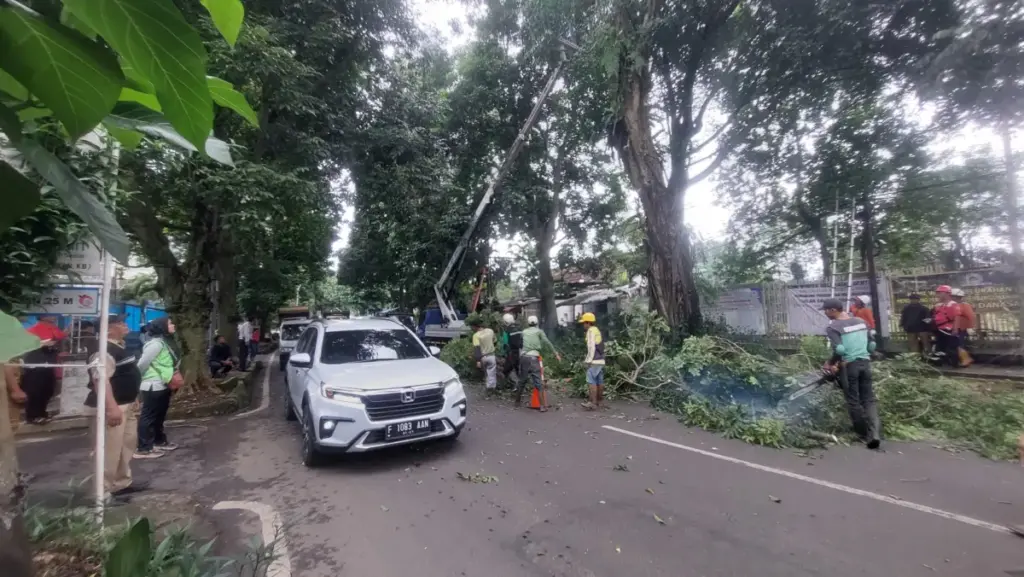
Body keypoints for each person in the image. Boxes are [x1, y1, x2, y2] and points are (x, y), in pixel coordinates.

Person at [86, 315, 147, 498]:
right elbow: (101, 381)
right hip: (112, 407)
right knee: (108, 450)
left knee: (125, 447)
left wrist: (134, 397)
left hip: (125, 403)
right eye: (120, 323)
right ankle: (101, 491)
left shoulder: (119, 346)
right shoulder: (103, 350)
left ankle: (121, 483)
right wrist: (111, 407)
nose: (125, 325)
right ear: (108, 329)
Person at [823, 299, 881, 449]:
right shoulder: (861, 321)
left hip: (849, 366)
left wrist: (831, 363)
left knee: (853, 400)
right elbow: (872, 344)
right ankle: (874, 434)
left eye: (826, 310)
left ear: (833, 310)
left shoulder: (833, 327)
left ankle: (862, 434)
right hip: (865, 363)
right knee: (868, 400)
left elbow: (840, 350)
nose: (825, 313)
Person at [136, 318, 180, 459]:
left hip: (163, 383)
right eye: (170, 323)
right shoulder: (155, 344)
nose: (173, 325)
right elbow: (142, 364)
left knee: (159, 416)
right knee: (149, 416)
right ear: (162, 327)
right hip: (153, 385)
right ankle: (144, 448)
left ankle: (158, 440)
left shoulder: (163, 342)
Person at [518, 315, 560, 411]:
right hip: (534, 358)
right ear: (537, 323)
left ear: (528, 323)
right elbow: (547, 342)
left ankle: (517, 402)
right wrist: (555, 353)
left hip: (524, 358)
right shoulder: (539, 331)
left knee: (522, 380)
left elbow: (520, 344)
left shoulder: (524, 332)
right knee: (538, 382)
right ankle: (542, 406)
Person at [578, 312, 606, 410]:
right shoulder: (597, 330)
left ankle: (592, 403)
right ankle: (599, 402)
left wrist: (588, 361)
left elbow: (591, 347)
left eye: (584, 323)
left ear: (588, 323)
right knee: (599, 381)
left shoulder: (590, 331)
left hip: (594, 360)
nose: (583, 325)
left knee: (591, 381)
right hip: (601, 360)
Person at [931, 285, 961, 367]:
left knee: (952, 348)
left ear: (946, 293)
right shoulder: (939, 305)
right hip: (939, 329)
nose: (938, 295)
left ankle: (954, 364)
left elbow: (957, 317)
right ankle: (939, 363)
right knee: (939, 347)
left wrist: (955, 329)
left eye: (940, 293)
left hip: (949, 329)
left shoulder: (953, 304)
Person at [471, 318, 498, 393]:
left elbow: (477, 348)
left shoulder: (476, 335)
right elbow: (495, 341)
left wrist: (478, 361)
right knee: (492, 373)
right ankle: (491, 389)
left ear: (475, 326)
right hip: (491, 355)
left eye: (472, 327)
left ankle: (488, 389)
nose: (472, 328)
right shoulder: (490, 331)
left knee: (486, 373)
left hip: (483, 357)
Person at [951, 288, 975, 367]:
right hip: (953, 328)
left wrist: (970, 327)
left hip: (961, 328)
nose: (952, 298)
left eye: (953, 296)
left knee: (959, 345)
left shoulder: (965, 305)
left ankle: (966, 360)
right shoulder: (952, 305)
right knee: (955, 345)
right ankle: (959, 360)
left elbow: (970, 317)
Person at [500, 314, 522, 390]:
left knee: (506, 370)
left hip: (511, 353)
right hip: (521, 352)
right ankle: (520, 384)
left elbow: (505, 343)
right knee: (517, 369)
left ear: (505, 322)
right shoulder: (519, 329)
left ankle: (515, 384)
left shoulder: (506, 331)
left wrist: (503, 353)